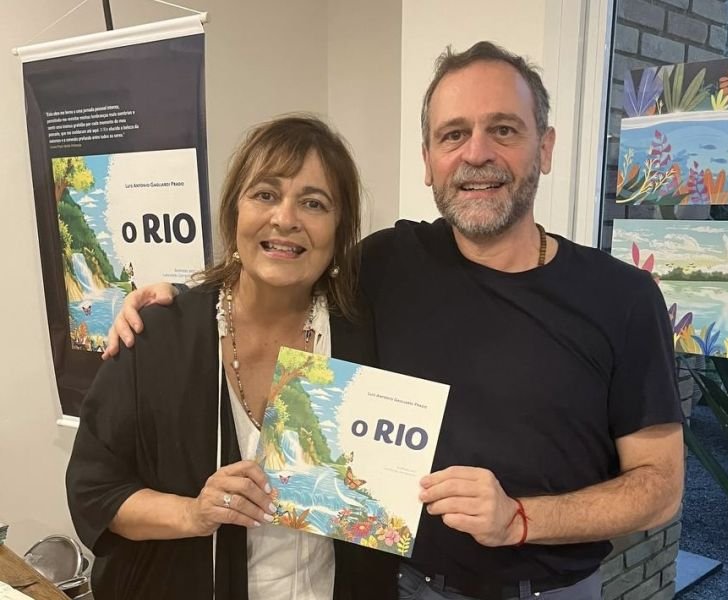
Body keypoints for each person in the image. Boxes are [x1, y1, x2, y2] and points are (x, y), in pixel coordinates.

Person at [104, 42, 684, 600]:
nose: (476, 153)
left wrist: (520, 519)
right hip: (402, 585)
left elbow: (659, 488)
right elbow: (285, 264)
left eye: (504, 130)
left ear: (546, 148)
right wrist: (180, 300)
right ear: (428, 160)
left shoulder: (622, 298)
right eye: (453, 134)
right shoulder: (387, 264)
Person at [66, 116, 398, 600]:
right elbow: (94, 492)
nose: (285, 218)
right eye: (265, 194)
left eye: (314, 203)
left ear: (339, 228)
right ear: (233, 211)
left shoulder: (364, 336)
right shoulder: (159, 336)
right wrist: (192, 513)